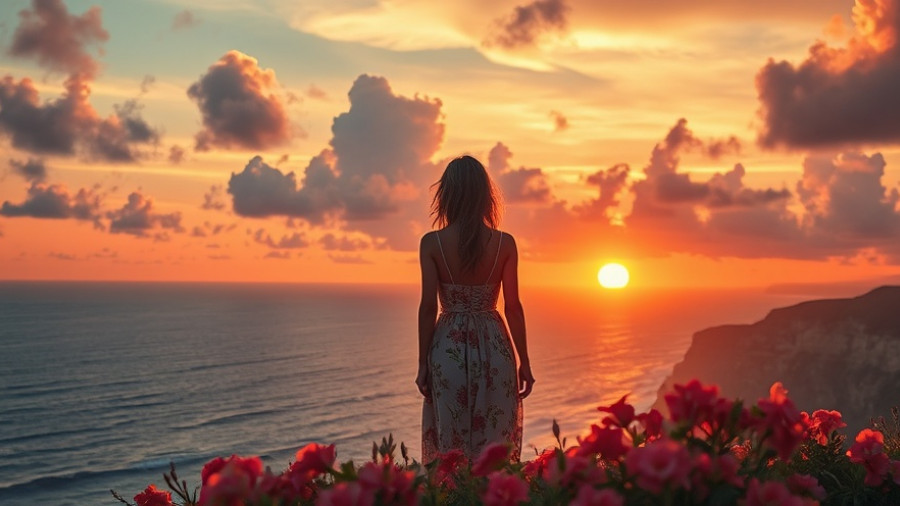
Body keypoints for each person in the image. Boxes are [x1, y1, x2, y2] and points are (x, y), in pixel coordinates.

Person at [416, 155, 534, 464]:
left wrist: (422, 364)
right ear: (485, 195)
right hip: (495, 346)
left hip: (448, 348)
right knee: (494, 439)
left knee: (452, 443)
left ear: (447, 195)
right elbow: (513, 307)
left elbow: (428, 307)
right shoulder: (505, 244)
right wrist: (525, 362)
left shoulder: (432, 243)